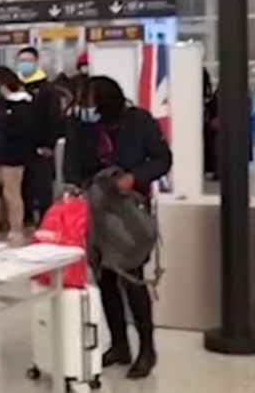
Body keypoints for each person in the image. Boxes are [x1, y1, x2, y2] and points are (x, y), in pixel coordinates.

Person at [63, 76, 171, 380]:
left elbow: (162, 159)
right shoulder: (79, 126)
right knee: (105, 279)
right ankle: (119, 344)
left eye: (90, 104)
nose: (85, 109)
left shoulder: (139, 121)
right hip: (95, 210)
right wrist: (77, 189)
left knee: (132, 280)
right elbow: (71, 165)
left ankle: (147, 349)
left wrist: (134, 178)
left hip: (129, 212)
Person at [0, 67, 32, 240]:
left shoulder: (23, 104)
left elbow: (21, 130)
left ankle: (16, 228)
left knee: (12, 194)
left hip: (14, 156)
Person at [15, 46, 63, 224]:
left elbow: (54, 118)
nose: (24, 65)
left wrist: (49, 144)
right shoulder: (14, 87)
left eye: (28, 61)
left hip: (41, 147)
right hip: (19, 148)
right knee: (22, 186)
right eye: (22, 61)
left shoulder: (47, 90)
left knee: (42, 185)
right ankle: (26, 217)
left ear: (36, 62)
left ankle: (45, 219)